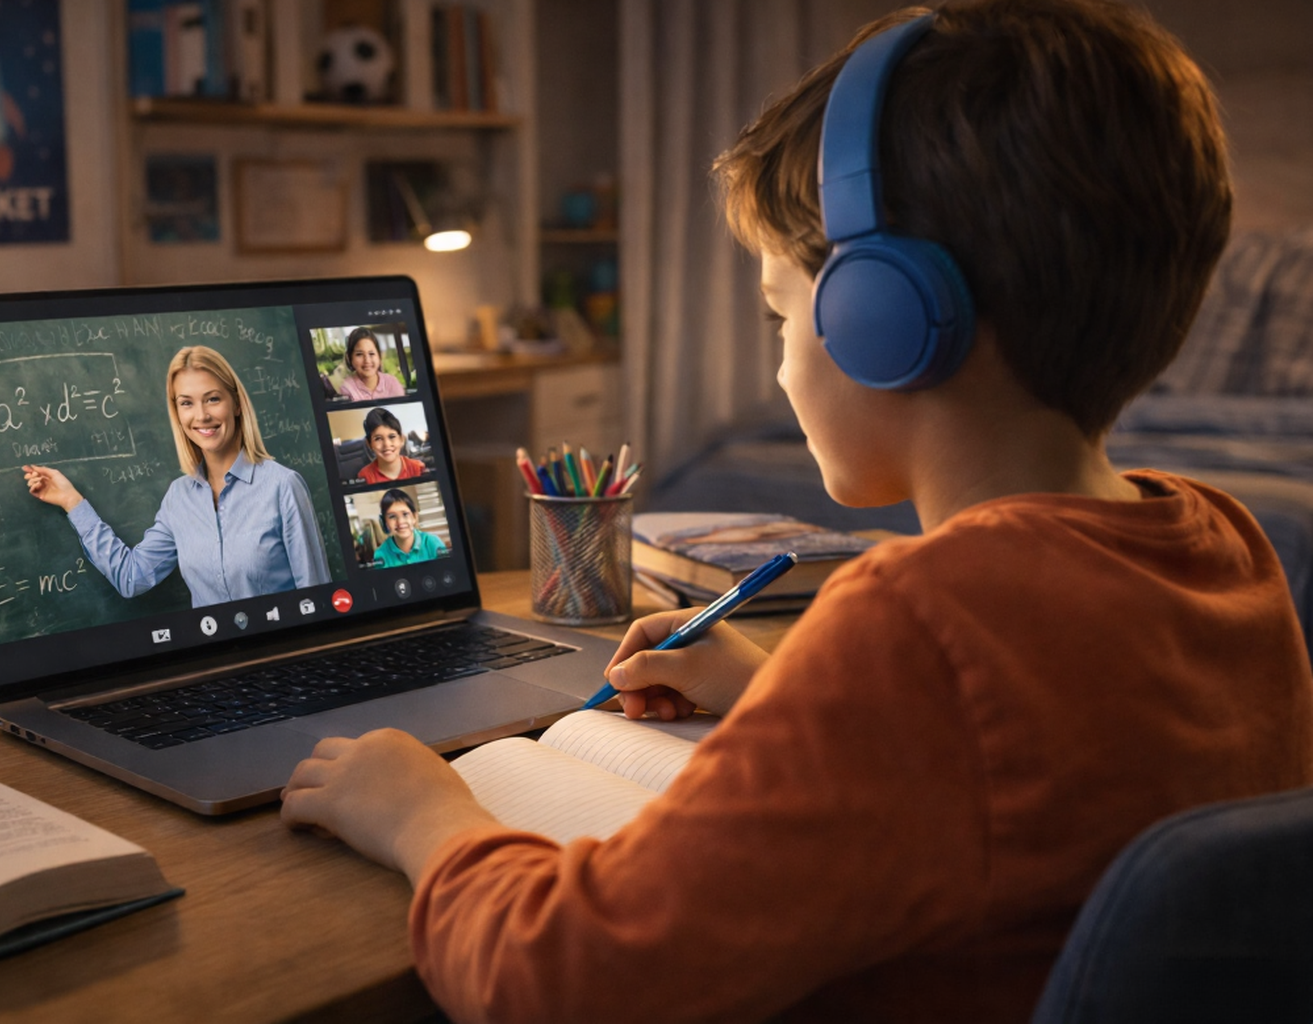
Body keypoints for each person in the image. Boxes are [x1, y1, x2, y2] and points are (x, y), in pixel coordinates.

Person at [279, 3, 1313, 1021]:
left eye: (780, 311)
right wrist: (790, 684)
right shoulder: (1228, 546)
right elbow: (1047, 751)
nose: (777, 360)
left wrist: (422, 813)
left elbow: (566, 980)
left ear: (886, 318)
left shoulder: (921, 622)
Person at [23, 345, 331, 608]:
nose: (201, 416)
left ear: (236, 403)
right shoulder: (178, 498)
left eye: (212, 399)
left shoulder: (282, 486)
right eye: (186, 403)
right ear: (177, 412)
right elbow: (132, 578)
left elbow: (315, 597)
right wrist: (72, 502)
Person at [370, 488, 447, 567]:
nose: (400, 522)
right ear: (384, 522)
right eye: (392, 516)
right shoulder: (381, 554)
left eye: (405, 514)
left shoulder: (432, 543)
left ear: (414, 517)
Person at [355, 407, 427, 485]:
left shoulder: (418, 468)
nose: (386, 444)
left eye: (392, 437)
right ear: (369, 444)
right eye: (378, 438)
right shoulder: (365, 476)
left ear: (401, 439)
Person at [337, 326, 406, 401]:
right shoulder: (347, 388)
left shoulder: (392, 383)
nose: (367, 360)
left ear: (379, 356)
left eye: (371, 353)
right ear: (350, 358)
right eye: (359, 354)